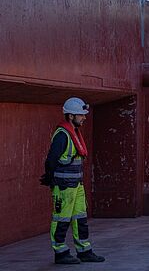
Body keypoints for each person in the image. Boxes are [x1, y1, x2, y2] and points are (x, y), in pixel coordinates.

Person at [40, 97, 106, 265]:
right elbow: (51, 159)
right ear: (70, 116)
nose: (84, 118)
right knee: (61, 220)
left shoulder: (73, 133)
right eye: (81, 115)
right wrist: (49, 178)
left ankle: (84, 251)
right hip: (64, 187)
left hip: (76, 185)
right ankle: (60, 253)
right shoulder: (63, 135)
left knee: (80, 219)